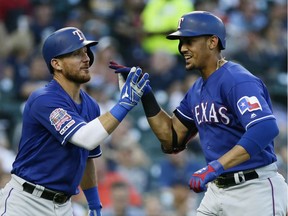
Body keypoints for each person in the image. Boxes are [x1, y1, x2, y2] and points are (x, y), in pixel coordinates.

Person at [109, 11, 287, 216]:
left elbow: (265, 128)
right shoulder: (196, 89)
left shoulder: (237, 79)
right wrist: (146, 96)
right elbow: (172, 140)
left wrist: (215, 167)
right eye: (181, 42)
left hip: (254, 189)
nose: (182, 48)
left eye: (189, 41)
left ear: (212, 42)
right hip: (217, 190)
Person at [0, 27, 150, 216]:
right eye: (76, 54)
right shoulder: (44, 99)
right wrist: (125, 103)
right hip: (26, 202)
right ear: (57, 64)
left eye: (86, 52)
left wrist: (95, 204)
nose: (86, 58)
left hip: (63, 205)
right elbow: (86, 138)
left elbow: (87, 158)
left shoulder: (91, 105)